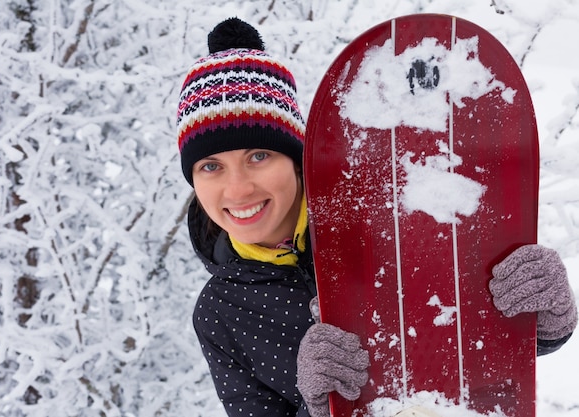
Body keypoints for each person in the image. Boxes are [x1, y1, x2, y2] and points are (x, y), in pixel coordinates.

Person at [176, 17, 578, 417]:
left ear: (296, 162)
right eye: (210, 166)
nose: (239, 189)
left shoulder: (386, 222)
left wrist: (545, 315)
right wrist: (320, 409)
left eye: (259, 156)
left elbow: (474, 341)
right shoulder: (221, 314)